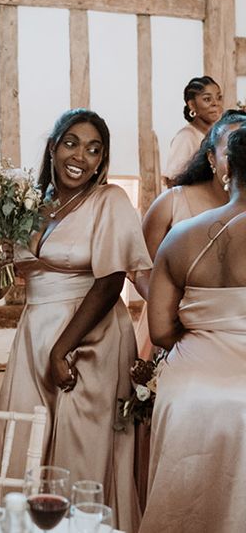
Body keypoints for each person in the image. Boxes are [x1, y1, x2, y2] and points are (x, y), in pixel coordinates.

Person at [0, 108, 151, 533]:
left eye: (95, 149)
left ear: (102, 160)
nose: (82, 156)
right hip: (33, 336)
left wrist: (62, 349)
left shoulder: (109, 201)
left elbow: (110, 283)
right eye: (72, 143)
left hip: (89, 338)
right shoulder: (27, 204)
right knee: (19, 443)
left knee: (81, 450)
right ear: (53, 147)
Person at [141, 125, 246, 533]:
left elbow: (161, 329)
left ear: (227, 170)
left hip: (189, 387)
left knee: (186, 502)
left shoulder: (182, 236)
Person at [163, 76, 222, 185]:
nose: (215, 103)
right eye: (207, 99)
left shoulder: (219, 135)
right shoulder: (186, 137)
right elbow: (172, 182)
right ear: (192, 105)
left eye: (219, 97)